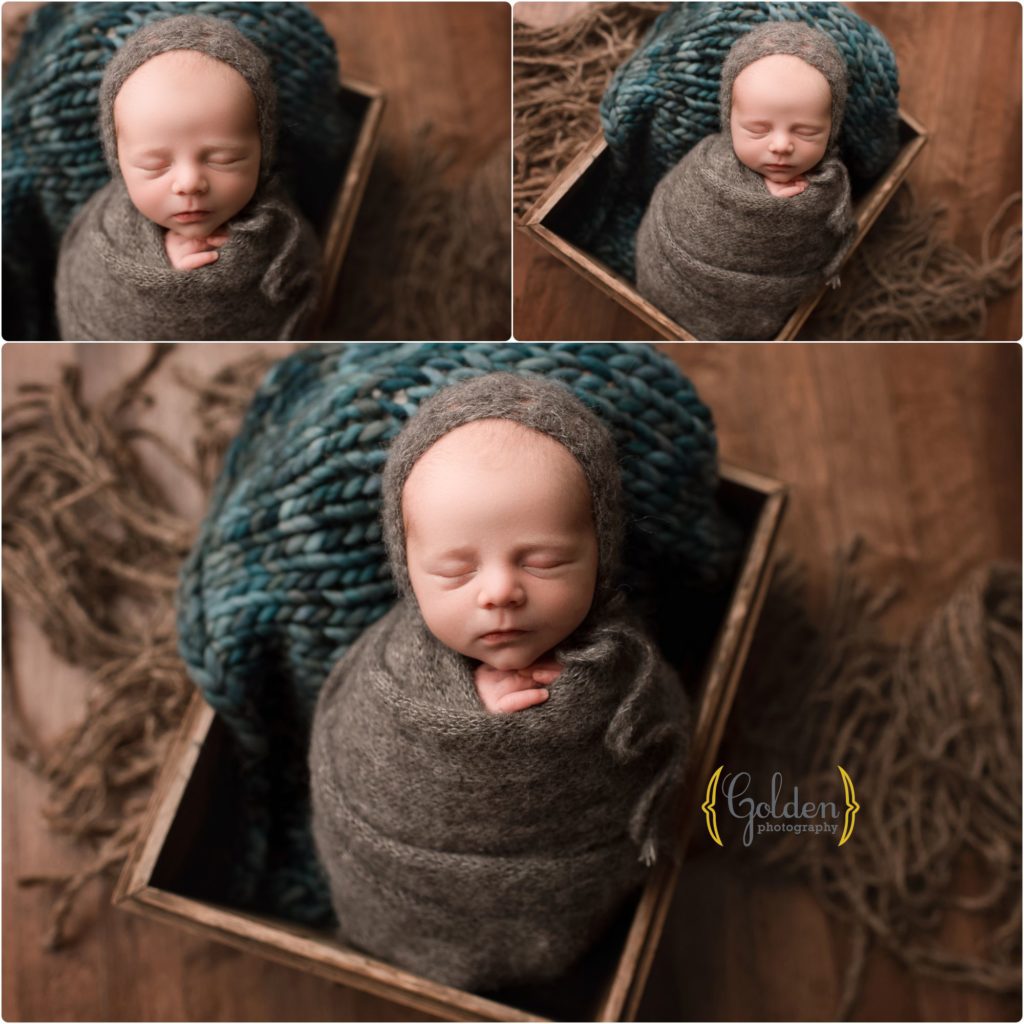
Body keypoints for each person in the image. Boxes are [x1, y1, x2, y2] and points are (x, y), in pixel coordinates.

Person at [309, 372, 689, 990]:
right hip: (408, 905)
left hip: (560, 908)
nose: (500, 592)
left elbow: (663, 742)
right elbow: (356, 759)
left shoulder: (626, 669)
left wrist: (582, 703)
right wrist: (467, 712)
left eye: (544, 561)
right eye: (454, 572)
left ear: (601, 549)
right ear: (408, 572)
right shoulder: (388, 672)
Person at [55, 15, 321, 340]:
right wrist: (162, 267)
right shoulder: (103, 233)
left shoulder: (280, 229)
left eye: (224, 159)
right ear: (118, 162)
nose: (189, 183)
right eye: (154, 165)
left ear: (262, 150)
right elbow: (87, 296)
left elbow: (307, 273)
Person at [635, 21, 856, 340]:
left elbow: (822, 245)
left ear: (831, 129)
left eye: (807, 132)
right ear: (729, 119)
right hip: (671, 280)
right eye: (757, 130)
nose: (781, 145)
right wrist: (761, 201)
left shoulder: (829, 188)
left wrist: (792, 212)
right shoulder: (706, 167)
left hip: (755, 313)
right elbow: (677, 207)